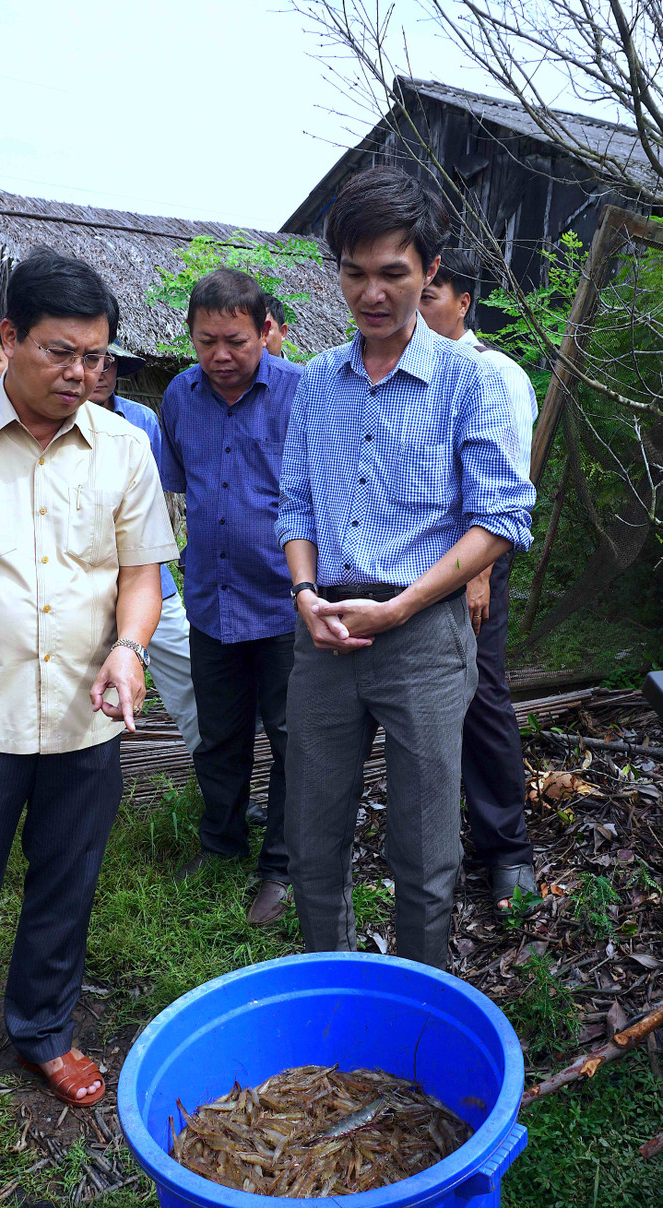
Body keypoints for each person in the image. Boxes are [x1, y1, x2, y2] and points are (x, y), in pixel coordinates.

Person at [0, 247, 177, 1152]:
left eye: (96, 358)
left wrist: (128, 651)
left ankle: (44, 1031)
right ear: (7, 338)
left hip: (86, 713)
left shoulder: (126, 444)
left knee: (66, 882)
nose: (80, 374)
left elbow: (142, 575)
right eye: (60, 353)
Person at [276, 167, 536, 970]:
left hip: (422, 632)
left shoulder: (472, 381)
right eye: (355, 272)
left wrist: (403, 607)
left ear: (429, 271)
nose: (372, 291)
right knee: (313, 840)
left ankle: (417, 1008)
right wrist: (304, 591)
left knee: (424, 851)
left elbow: (501, 517)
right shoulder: (317, 381)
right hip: (324, 634)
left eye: (393, 272)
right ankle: (335, 990)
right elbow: (295, 506)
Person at [161, 269, 303, 925]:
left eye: (236, 341)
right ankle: (221, 844)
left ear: (267, 330)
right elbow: (178, 488)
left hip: (284, 602)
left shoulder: (301, 394)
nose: (220, 355)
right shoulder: (178, 396)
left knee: (290, 735)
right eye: (206, 340)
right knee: (218, 736)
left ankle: (281, 866)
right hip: (212, 599)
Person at [419, 251, 538, 915]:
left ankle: (508, 850)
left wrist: (481, 573)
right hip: (416, 560)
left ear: (464, 302)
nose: (421, 306)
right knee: (423, 696)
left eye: (433, 295)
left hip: (477, 556)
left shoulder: (496, 374)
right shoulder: (411, 369)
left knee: (480, 692)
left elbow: (504, 491)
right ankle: (435, 844)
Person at [91, 341, 200, 753]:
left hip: (151, 581)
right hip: (86, 584)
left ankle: (224, 792)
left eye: (109, 362)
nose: (100, 371)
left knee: (192, 683)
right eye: (91, 360)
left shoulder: (141, 421)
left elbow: (155, 501)